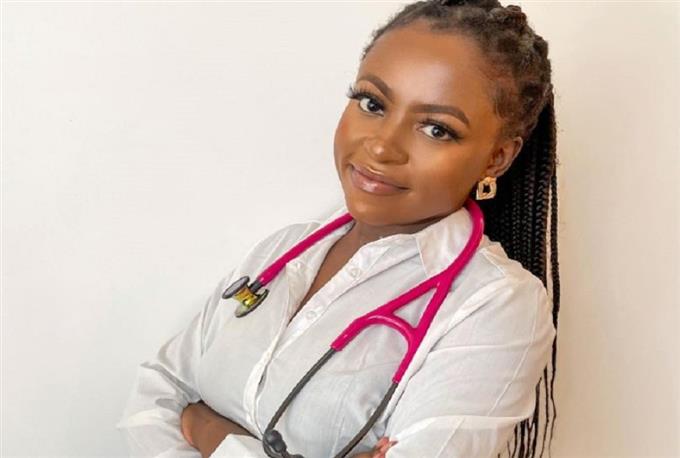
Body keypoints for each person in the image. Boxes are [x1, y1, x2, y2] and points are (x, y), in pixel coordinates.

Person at [116, 0, 560, 456]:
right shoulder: (284, 249)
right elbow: (155, 396)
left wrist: (206, 427)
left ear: (496, 158)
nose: (382, 147)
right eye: (372, 103)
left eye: (436, 129)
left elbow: (179, 412)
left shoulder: (497, 304)